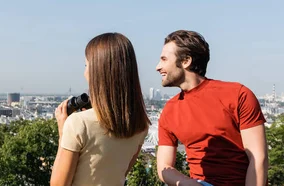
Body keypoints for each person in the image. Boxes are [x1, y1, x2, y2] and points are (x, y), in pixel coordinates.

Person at [155, 30, 268, 186]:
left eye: (164, 59)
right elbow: (164, 167)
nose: (158, 67)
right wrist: (188, 183)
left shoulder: (237, 95)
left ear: (186, 61)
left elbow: (258, 158)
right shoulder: (169, 110)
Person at [50, 32, 150, 186]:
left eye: (86, 65)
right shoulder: (140, 124)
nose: (84, 73)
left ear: (98, 71)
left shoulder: (78, 123)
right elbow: (121, 173)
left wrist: (63, 131)